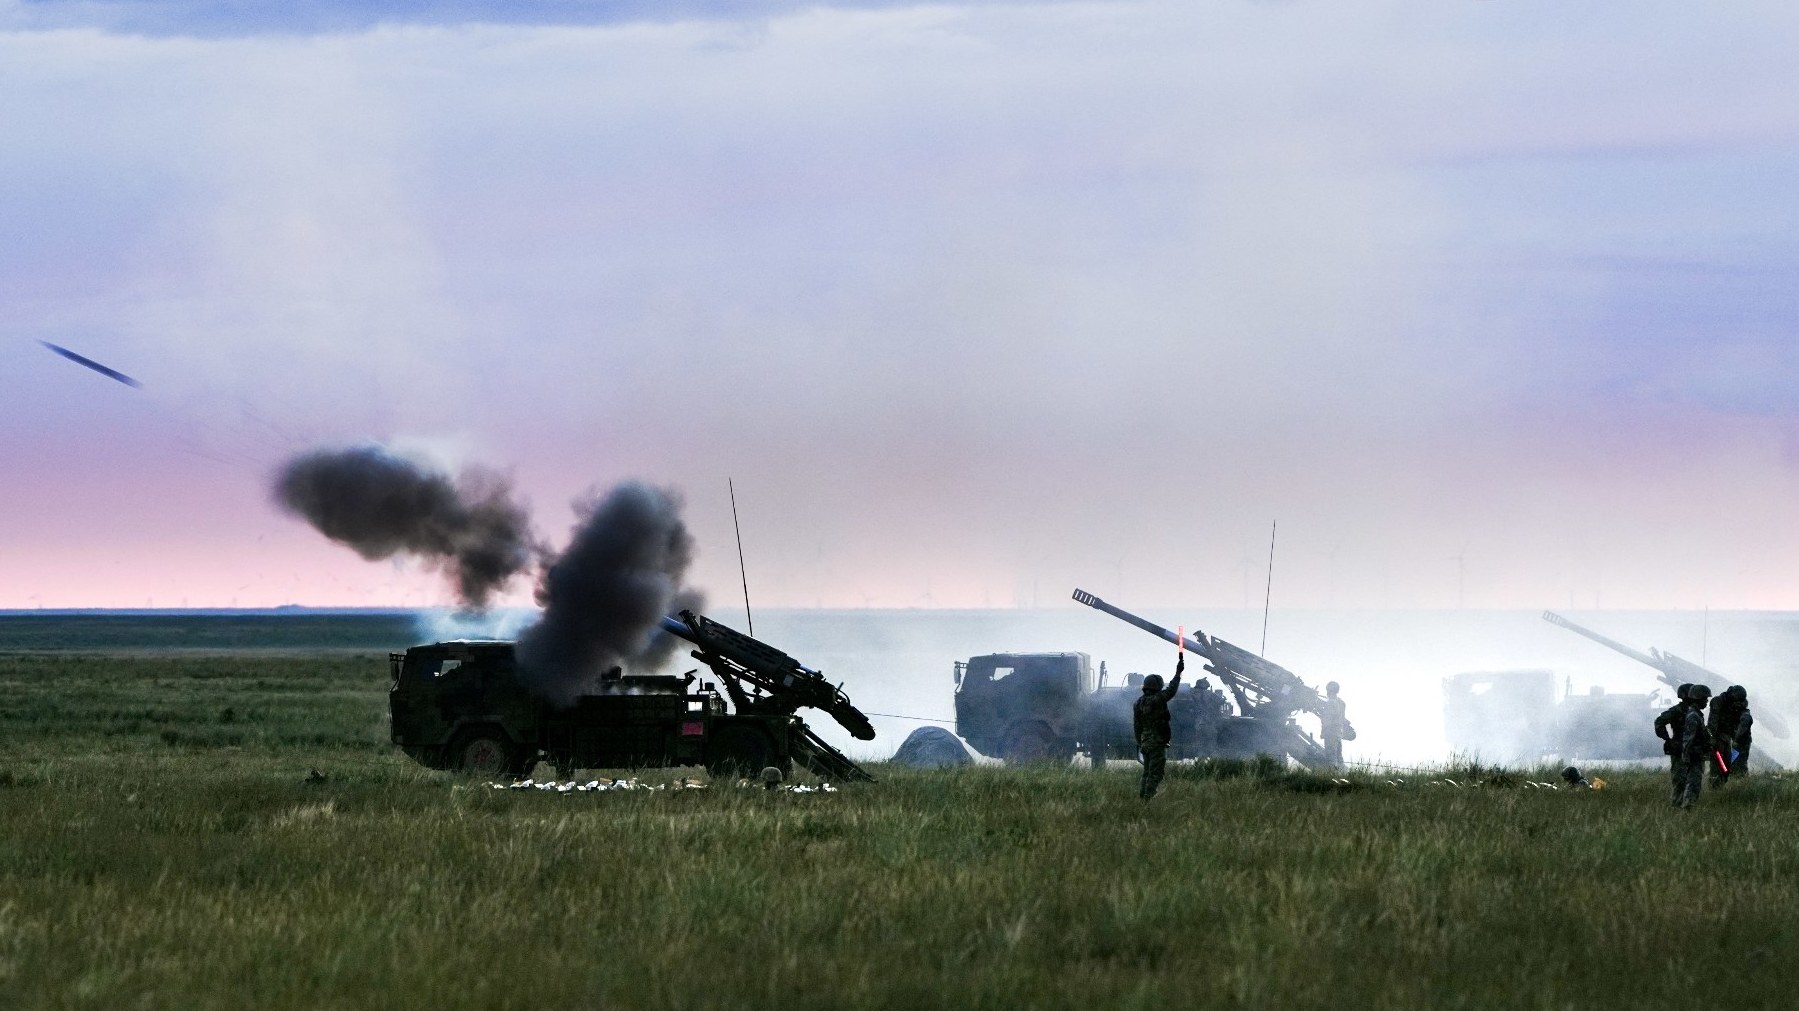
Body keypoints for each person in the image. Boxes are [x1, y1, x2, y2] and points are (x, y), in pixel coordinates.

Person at [1133, 655, 1184, 800]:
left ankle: (1142, 798)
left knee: (1147, 772)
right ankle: (1148, 800)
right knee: (1156, 773)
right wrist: (1178, 673)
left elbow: (1137, 725)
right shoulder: (1157, 699)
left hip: (1146, 741)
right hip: (1157, 742)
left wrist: (1140, 742)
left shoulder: (1138, 703)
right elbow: (1171, 690)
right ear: (1157, 686)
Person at [1673, 684, 1714, 809]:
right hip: (1694, 756)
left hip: (1697, 754)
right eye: (1705, 698)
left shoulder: (1696, 715)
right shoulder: (1693, 716)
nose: (1707, 701)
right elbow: (1688, 739)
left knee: (1695, 783)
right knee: (1693, 783)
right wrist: (1686, 757)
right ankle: (1688, 808)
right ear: (1697, 698)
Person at [1707, 685, 1753, 785]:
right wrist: (1711, 739)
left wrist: (1737, 738)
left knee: (1728, 766)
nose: (1737, 705)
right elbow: (1712, 723)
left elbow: (1743, 720)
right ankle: (1715, 785)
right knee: (1718, 764)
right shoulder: (1718, 702)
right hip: (1718, 737)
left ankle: (1724, 785)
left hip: (1730, 738)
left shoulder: (1740, 704)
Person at [1319, 681, 1355, 767]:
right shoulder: (1341, 702)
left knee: (1330, 758)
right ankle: (1342, 773)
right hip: (1338, 733)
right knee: (1339, 757)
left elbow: (1327, 721)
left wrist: (1323, 732)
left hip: (1330, 734)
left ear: (1329, 690)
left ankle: (1331, 773)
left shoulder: (1330, 703)